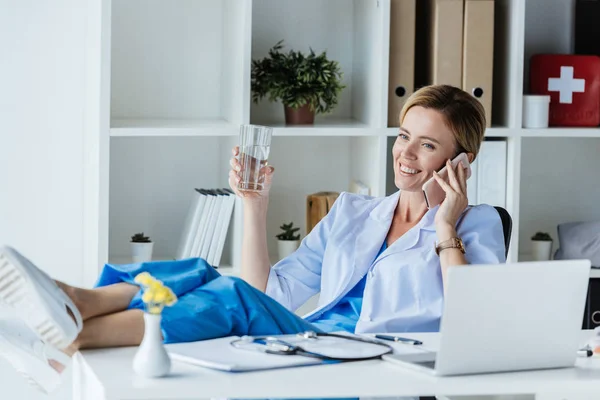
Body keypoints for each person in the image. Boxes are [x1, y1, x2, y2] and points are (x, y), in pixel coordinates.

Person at [0, 84, 505, 393]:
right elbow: (271, 293)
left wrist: (444, 227)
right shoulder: (355, 213)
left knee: (229, 294)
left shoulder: (474, 226)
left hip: (373, 364)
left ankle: (74, 316)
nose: (406, 154)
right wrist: (253, 205)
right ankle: (74, 318)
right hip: (307, 342)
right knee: (204, 272)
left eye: (428, 144)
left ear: (462, 161)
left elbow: (476, 325)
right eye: (403, 137)